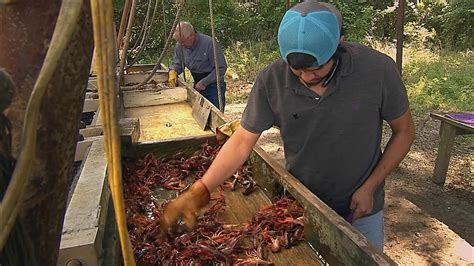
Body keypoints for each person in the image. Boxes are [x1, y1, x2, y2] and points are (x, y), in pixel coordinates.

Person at [160, 1, 415, 251]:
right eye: (297, 70)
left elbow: (404, 131)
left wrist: (370, 186)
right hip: (301, 204)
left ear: (339, 43)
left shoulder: (377, 71)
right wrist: (200, 190)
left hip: (362, 206)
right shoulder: (272, 80)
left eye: (316, 69)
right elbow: (241, 141)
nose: (306, 78)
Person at [168, 21, 228, 111]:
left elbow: (221, 68)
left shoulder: (209, 44)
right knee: (199, 113)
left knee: (215, 114)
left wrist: (204, 82)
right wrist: (174, 71)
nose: (182, 45)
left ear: (192, 36)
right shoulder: (180, 44)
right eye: (179, 43)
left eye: (183, 42)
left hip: (213, 84)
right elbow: (178, 62)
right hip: (197, 81)